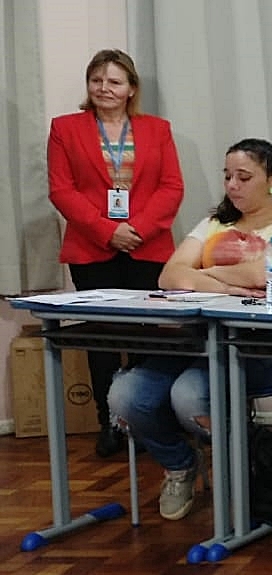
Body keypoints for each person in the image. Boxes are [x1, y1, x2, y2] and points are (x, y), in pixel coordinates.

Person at [106, 138, 272, 521]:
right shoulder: (213, 224)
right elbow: (169, 276)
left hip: (264, 345)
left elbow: (261, 275)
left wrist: (203, 275)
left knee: (189, 395)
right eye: (227, 177)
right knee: (126, 395)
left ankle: (247, 458)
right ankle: (180, 464)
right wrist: (226, 285)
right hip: (197, 342)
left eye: (244, 177)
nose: (232, 185)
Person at [48, 49, 185, 458]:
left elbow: (172, 187)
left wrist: (137, 229)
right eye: (97, 80)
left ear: (131, 89)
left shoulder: (157, 129)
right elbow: (61, 190)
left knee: (148, 337)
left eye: (114, 81)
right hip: (92, 248)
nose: (104, 88)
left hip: (148, 246)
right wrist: (109, 232)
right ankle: (108, 422)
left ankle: (146, 419)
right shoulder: (65, 128)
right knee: (102, 339)